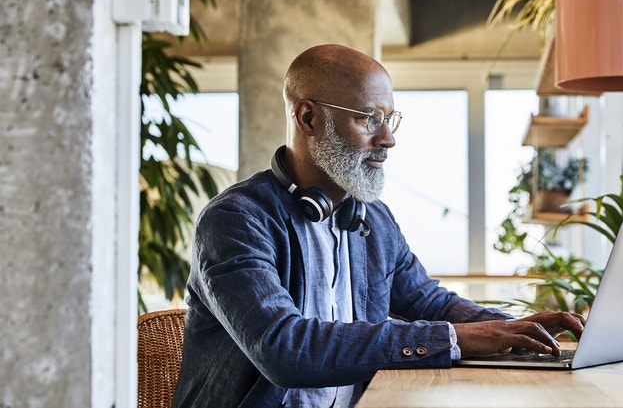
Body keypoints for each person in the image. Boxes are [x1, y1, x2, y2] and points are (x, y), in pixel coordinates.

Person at [171, 44, 585, 408]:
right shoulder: (235, 220)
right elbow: (283, 348)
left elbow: (431, 304)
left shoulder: (374, 219)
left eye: (389, 118)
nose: (387, 139)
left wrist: (512, 329)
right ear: (308, 117)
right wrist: (457, 337)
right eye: (369, 118)